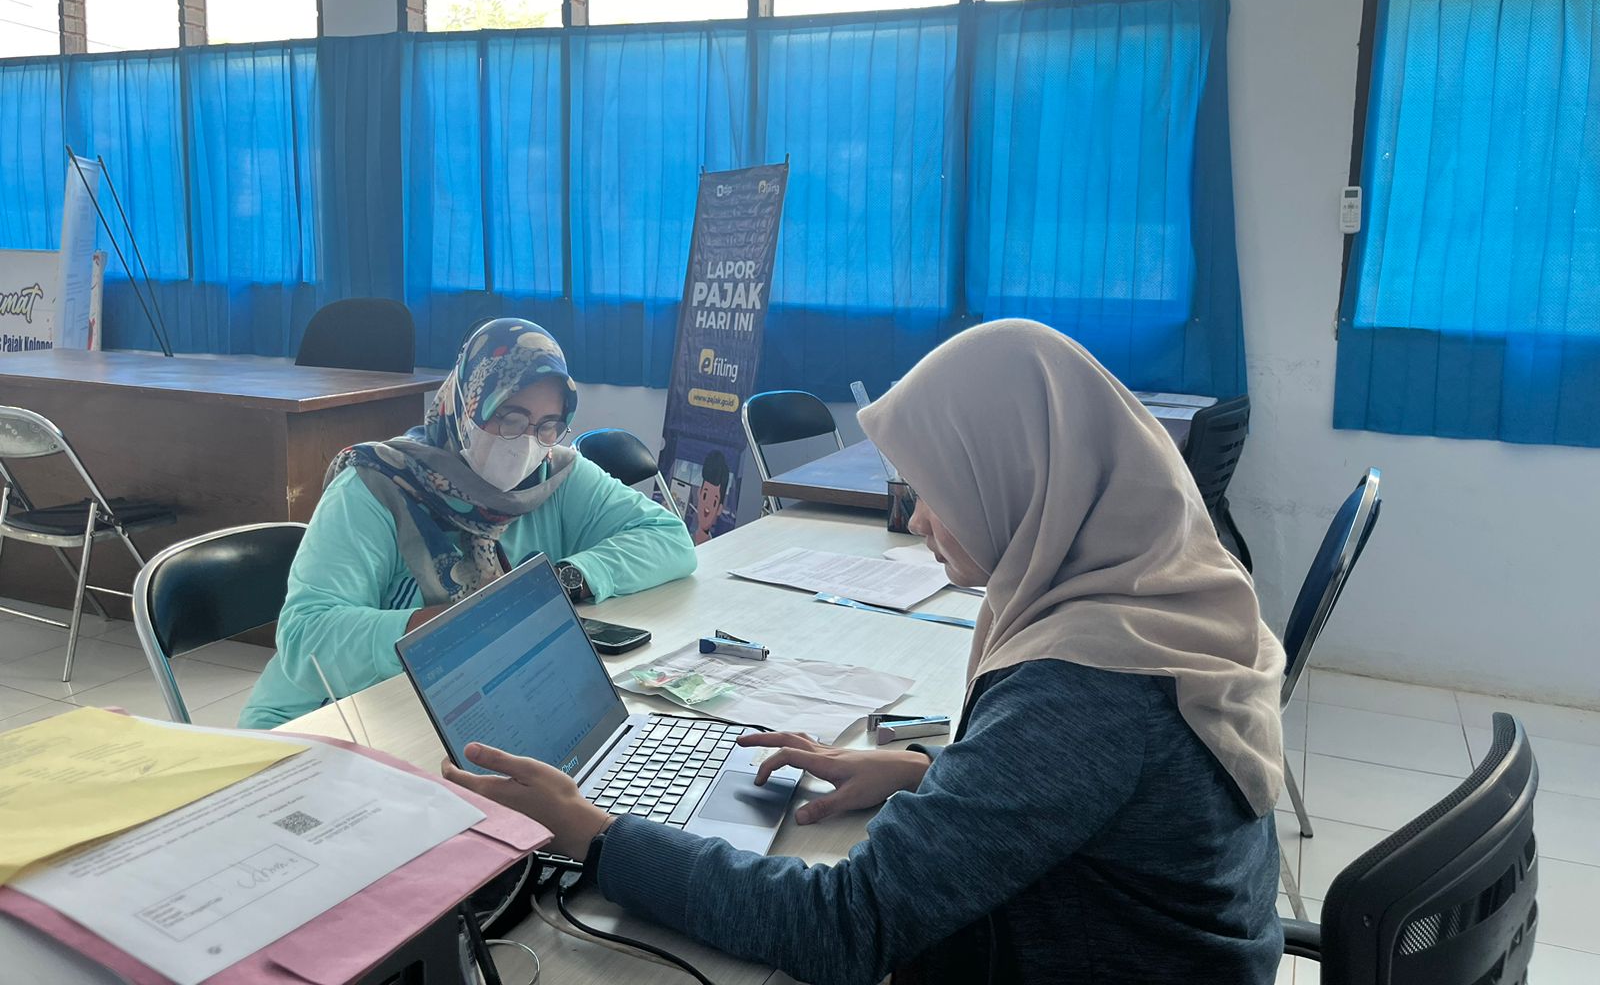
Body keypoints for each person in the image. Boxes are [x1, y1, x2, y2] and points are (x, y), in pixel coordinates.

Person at [443, 319, 1287, 984]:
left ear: (1016, 477)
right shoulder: (1159, 591)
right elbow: (1091, 791)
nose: (915, 522)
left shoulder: (1085, 684)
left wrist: (596, 835)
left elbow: (844, 926)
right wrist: (928, 772)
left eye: (933, 491)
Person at [239, 318, 696, 729]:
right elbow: (306, 637)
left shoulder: (554, 475)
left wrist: (558, 583)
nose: (526, 442)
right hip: (326, 719)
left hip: (461, 709)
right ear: (466, 404)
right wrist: (452, 628)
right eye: (509, 417)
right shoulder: (376, 486)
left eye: (548, 425)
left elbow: (669, 539)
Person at [689, 449, 729, 546]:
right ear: (699, 493)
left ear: (719, 509)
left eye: (714, 502)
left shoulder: (717, 549)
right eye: (705, 495)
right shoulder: (683, 538)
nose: (707, 506)